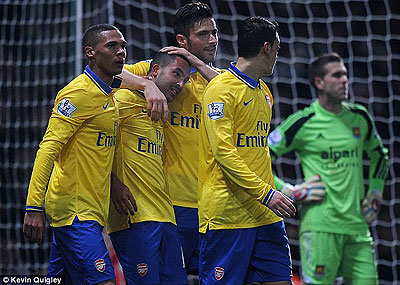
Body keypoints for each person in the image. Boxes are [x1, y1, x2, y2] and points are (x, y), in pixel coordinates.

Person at [114, 2, 220, 276]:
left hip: (214, 203)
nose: (213, 40)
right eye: (204, 34)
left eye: (214, 32)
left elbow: (240, 90)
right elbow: (111, 73)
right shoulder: (162, 72)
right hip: (171, 203)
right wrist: (147, 85)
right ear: (182, 40)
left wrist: (196, 63)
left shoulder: (218, 84)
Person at [268, 52, 389, 284]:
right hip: (320, 226)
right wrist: (289, 190)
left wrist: (375, 193)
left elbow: (380, 156)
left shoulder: (360, 117)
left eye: (345, 74)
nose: (345, 80)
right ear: (319, 83)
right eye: (337, 75)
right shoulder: (303, 121)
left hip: (358, 226)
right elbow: (259, 155)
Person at [22, 24, 128, 284]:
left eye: (123, 46)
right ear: (90, 52)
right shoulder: (77, 94)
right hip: (75, 212)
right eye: (112, 46)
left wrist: (114, 181)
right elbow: (48, 149)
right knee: (105, 281)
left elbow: (94, 149)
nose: (121, 52)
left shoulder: (110, 93)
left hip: (92, 210)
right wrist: (34, 206)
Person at [198, 16, 296, 284]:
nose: (278, 55)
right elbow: (224, 153)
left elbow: (257, 153)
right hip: (228, 216)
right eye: (278, 47)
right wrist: (267, 194)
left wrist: (267, 196)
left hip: (265, 215)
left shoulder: (265, 92)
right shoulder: (220, 90)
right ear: (267, 48)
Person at [107, 52, 191, 284]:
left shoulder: (160, 113)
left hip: (166, 217)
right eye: (176, 74)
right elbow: (94, 146)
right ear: (154, 71)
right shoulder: (121, 100)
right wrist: (113, 182)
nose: (181, 84)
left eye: (185, 79)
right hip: (135, 217)